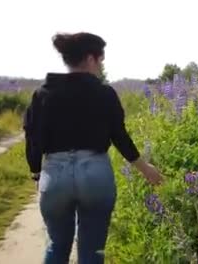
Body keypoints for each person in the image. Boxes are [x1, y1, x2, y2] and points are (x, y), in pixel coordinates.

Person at [23, 32, 164, 264]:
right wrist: (144, 168)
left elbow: (33, 138)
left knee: (57, 246)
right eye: (101, 60)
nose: (101, 66)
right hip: (95, 174)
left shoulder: (42, 94)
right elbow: (119, 136)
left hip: (55, 175)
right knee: (92, 252)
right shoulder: (105, 94)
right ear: (91, 59)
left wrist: (36, 171)